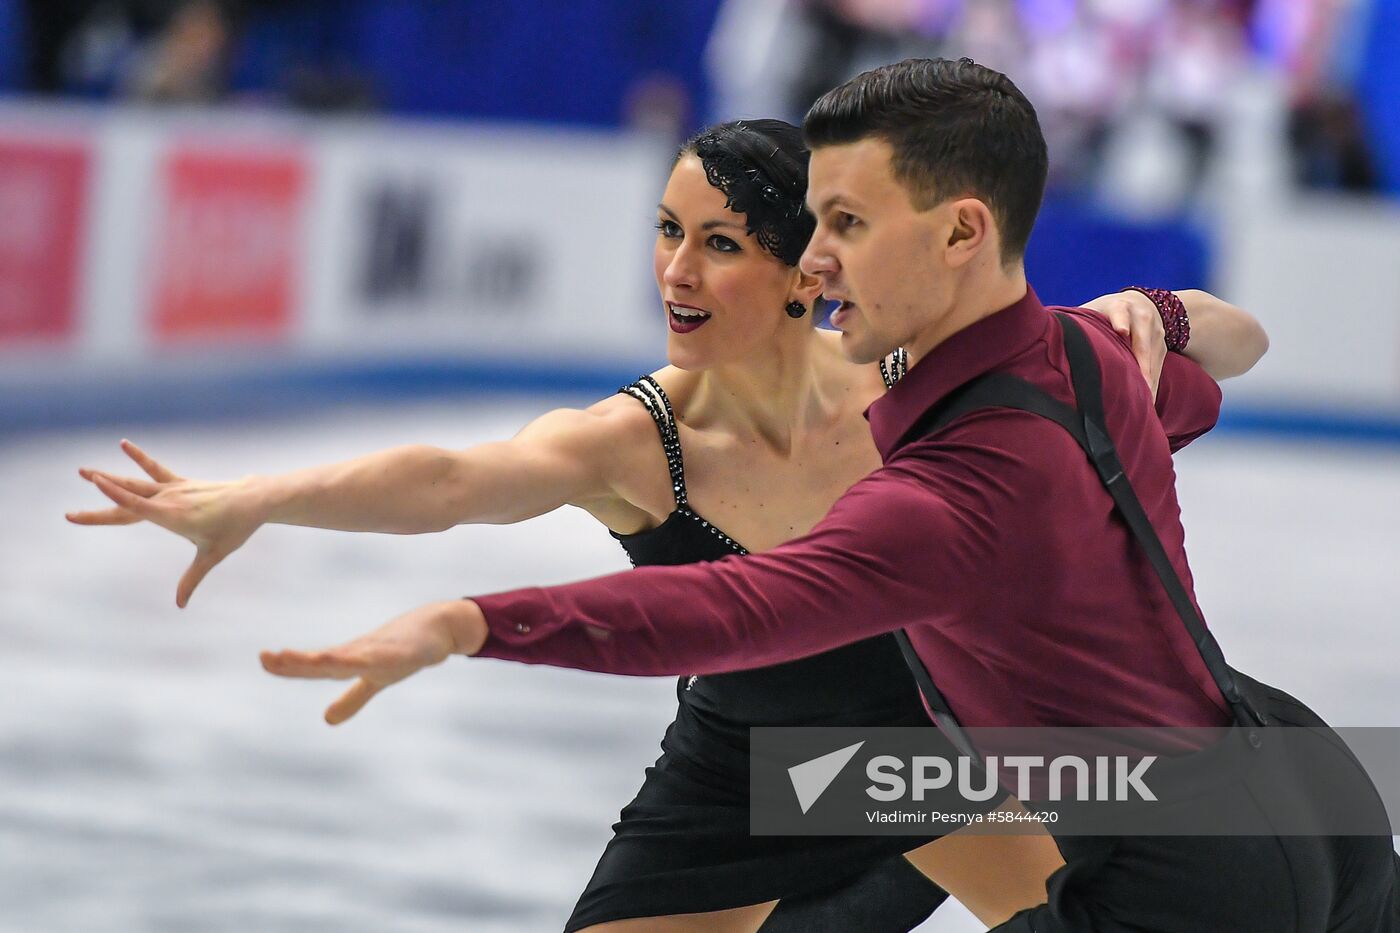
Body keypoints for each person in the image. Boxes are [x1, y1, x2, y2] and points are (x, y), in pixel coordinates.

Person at [72, 111, 1272, 930]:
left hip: (924, 766)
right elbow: (449, 480)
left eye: (716, 245)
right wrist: (253, 500)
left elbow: (1228, 343)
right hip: (737, 770)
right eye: (664, 234)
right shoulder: (635, 438)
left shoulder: (933, 382)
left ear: (806, 271)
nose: (675, 273)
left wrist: (1152, 314)